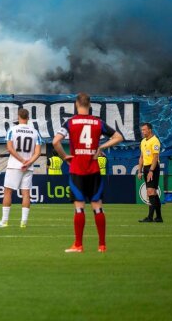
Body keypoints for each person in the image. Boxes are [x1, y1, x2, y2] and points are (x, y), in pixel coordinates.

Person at [52, 93, 125, 253]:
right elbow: (119, 137)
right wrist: (101, 147)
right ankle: (102, 245)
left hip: (77, 168)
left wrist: (65, 157)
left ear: (77, 104)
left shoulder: (70, 122)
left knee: (79, 207)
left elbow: (55, 141)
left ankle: (78, 245)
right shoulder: (98, 122)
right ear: (89, 105)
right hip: (93, 169)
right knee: (97, 206)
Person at [0, 108, 42, 228]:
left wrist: (21, 161)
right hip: (28, 167)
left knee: (8, 192)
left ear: (18, 116)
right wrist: (28, 162)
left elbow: (10, 148)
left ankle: (4, 221)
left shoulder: (12, 130)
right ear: (28, 118)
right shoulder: (35, 132)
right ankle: (23, 222)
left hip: (15, 165)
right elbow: (38, 152)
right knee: (26, 193)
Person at [138, 122, 162, 223]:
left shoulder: (155, 141)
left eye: (144, 130)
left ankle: (150, 217)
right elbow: (142, 157)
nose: (142, 131)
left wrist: (151, 170)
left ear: (149, 130)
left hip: (153, 167)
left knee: (150, 192)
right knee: (153, 193)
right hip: (146, 168)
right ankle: (159, 217)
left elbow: (155, 158)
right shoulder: (143, 141)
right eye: (142, 130)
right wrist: (139, 170)